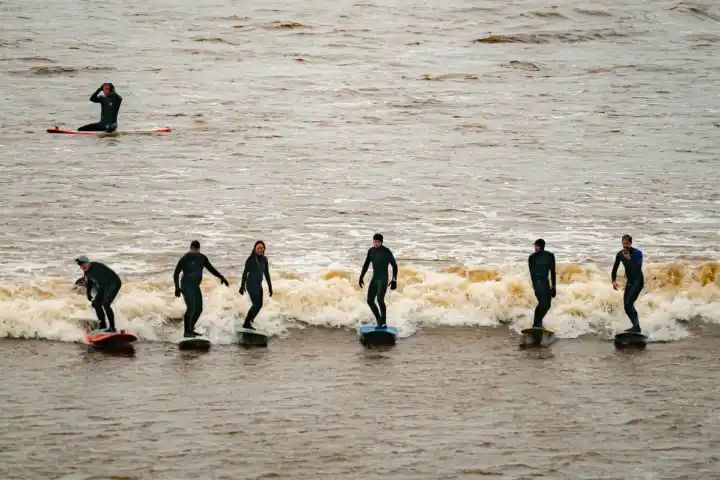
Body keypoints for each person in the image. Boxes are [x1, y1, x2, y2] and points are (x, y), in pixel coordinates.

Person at [173, 240, 229, 337]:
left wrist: (221, 277)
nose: (194, 252)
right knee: (191, 307)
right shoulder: (185, 258)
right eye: (193, 250)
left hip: (195, 286)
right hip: (186, 285)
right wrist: (177, 287)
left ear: (199, 249)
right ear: (190, 249)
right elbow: (176, 273)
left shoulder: (202, 258)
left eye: (196, 250)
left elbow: (211, 269)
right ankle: (186, 332)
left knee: (199, 308)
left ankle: (190, 328)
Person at [359, 233, 398, 327]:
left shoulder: (386, 252)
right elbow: (366, 264)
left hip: (383, 279)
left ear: (381, 242)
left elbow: (394, 265)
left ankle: (384, 322)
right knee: (370, 301)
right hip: (375, 278)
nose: (376, 243)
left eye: (378, 242)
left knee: (380, 299)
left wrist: (394, 280)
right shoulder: (371, 251)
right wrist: (361, 276)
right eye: (375, 241)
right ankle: (379, 321)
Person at [76, 255, 121, 332]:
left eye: (83, 264)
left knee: (105, 304)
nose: (82, 266)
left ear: (88, 262)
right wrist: (88, 294)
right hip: (105, 285)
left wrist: (97, 298)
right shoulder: (87, 270)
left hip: (114, 283)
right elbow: (90, 281)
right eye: (80, 265)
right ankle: (103, 326)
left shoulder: (96, 268)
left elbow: (102, 285)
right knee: (97, 304)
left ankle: (112, 328)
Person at [611, 234, 644, 333]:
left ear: (631, 243)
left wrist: (629, 258)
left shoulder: (638, 253)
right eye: (623, 243)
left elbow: (637, 267)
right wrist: (613, 281)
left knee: (629, 303)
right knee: (626, 306)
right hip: (629, 282)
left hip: (638, 281)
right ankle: (636, 326)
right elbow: (615, 268)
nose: (625, 245)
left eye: (627, 243)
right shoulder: (620, 254)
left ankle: (636, 327)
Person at [239, 241, 273, 330]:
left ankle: (250, 320)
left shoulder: (265, 259)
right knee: (256, 304)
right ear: (255, 249)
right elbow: (245, 273)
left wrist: (270, 287)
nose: (260, 249)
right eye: (258, 247)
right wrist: (242, 286)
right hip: (250, 284)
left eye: (261, 247)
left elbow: (267, 274)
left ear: (264, 249)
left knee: (260, 304)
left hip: (258, 284)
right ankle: (246, 323)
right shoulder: (251, 259)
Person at [528, 238, 556, 328]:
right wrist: (535, 287)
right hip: (538, 283)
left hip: (545, 283)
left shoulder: (549, 256)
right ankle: (536, 324)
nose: (534, 248)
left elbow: (552, 272)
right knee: (542, 303)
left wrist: (553, 287)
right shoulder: (532, 257)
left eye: (535, 246)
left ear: (539, 246)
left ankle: (539, 322)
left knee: (547, 305)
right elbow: (532, 274)